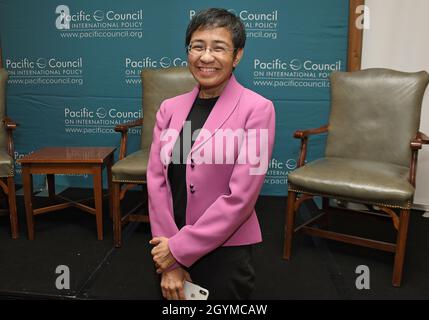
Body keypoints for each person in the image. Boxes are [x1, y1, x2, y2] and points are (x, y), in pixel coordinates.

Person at [147, 8, 276, 300]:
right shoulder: (170, 108)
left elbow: (240, 197)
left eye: (218, 48)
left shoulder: (257, 110)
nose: (206, 57)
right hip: (167, 243)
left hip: (225, 250)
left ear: (237, 55)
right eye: (198, 46)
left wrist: (179, 250)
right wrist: (169, 255)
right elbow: (157, 180)